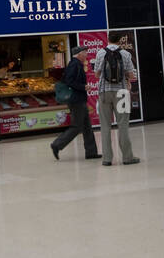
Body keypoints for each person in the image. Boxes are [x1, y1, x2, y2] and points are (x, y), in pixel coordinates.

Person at [93, 32, 139, 166]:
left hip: (104, 92)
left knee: (105, 126)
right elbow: (131, 75)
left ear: (108, 39)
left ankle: (107, 159)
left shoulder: (100, 53)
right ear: (120, 41)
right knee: (123, 125)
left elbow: (97, 74)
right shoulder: (125, 54)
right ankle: (127, 157)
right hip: (122, 93)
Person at [50, 45, 100, 161]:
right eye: (85, 53)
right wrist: (83, 87)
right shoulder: (74, 64)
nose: (87, 55)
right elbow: (69, 81)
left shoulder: (76, 64)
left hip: (80, 99)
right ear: (80, 54)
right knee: (77, 126)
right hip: (76, 100)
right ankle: (57, 144)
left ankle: (91, 152)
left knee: (87, 126)